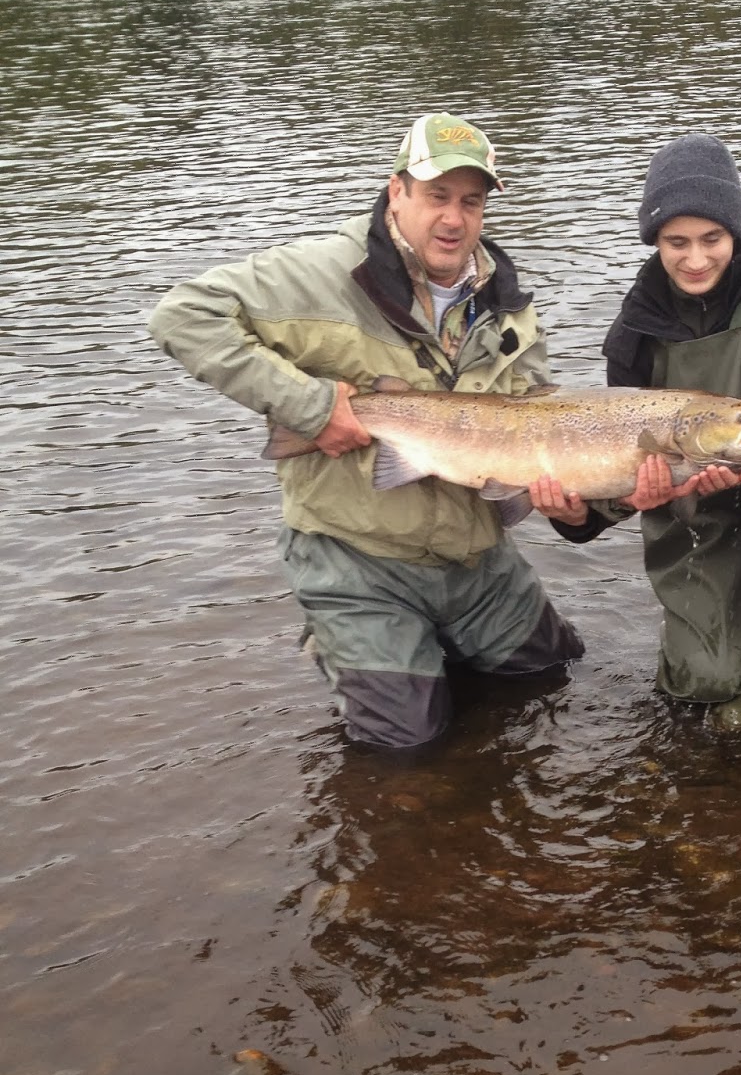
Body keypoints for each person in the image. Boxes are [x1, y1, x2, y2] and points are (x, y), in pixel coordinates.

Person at [148, 112, 583, 752]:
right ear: (396, 191)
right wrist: (313, 407)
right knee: (406, 745)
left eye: (471, 201)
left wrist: (567, 497)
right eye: (436, 196)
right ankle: (341, 639)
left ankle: (440, 647)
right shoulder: (318, 274)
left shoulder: (507, 303)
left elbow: (539, 426)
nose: (454, 219)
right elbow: (184, 315)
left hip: (476, 561)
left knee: (553, 676)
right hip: (358, 562)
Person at [534, 133, 741, 731]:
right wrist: (581, 513)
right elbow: (616, 474)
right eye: (675, 241)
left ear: (734, 234)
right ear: (654, 242)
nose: (695, 259)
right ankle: (723, 660)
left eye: (711, 239)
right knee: (700, 690)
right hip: (689, 510)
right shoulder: (633, 331)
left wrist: (736, 468)